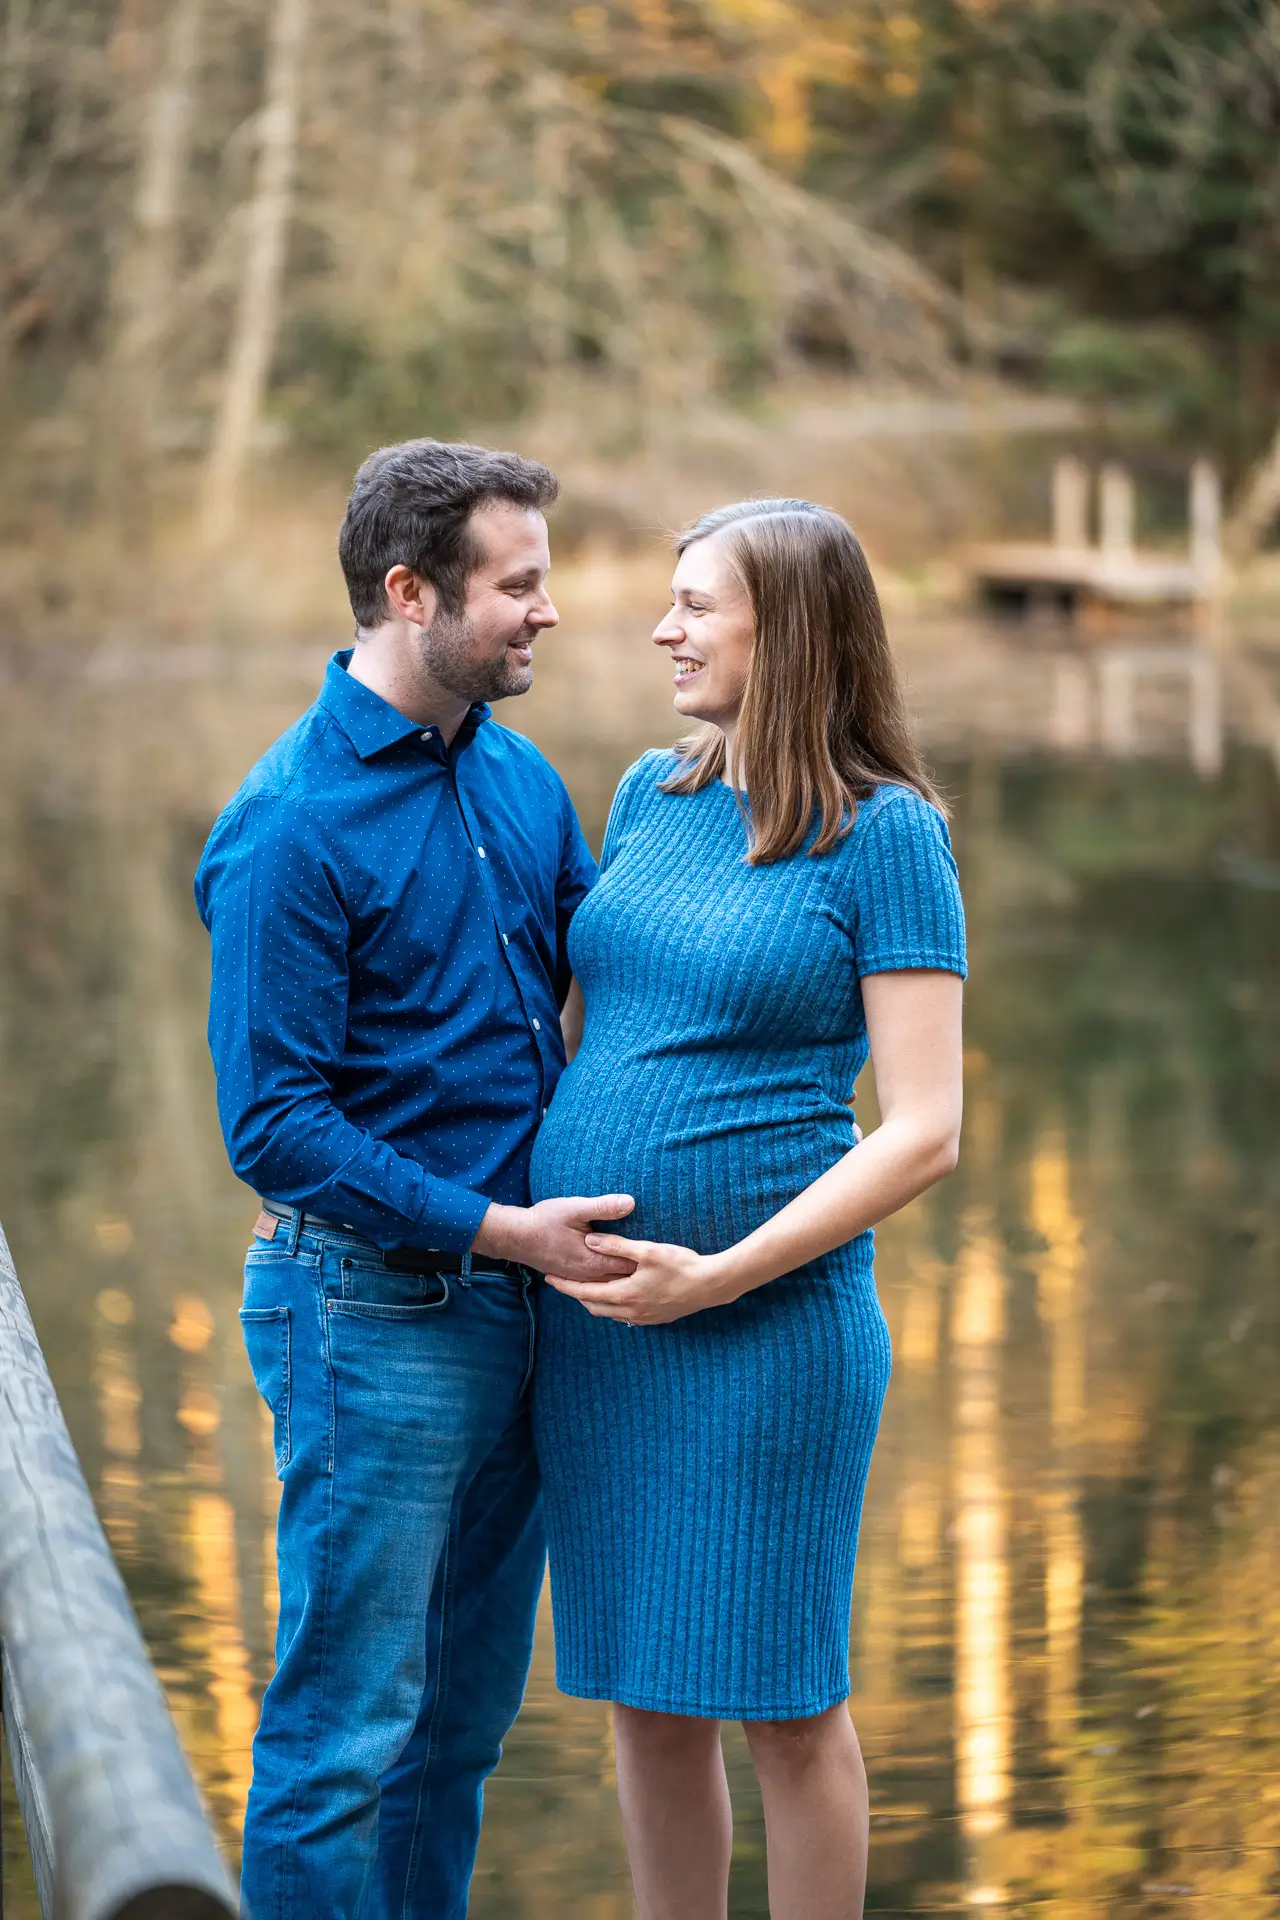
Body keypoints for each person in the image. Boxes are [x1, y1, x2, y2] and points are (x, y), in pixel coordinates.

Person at [193, 439, 636, 1920]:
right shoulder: (289, 826)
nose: (548, 614)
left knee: (455, 1741)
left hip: (521, 1321)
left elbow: (614, 983)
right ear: (409, 593)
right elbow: (273, 1126)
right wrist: (504, 1227)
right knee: (342, 1746)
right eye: (518, 586)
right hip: (367, 1325)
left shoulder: (518, 783)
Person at [530, 498, 967, 1920]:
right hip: (604, 1330)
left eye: (696, 605)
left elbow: (924, 1132)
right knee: (645, 1699)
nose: (664, 629)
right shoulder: (646, 798)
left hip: (769, 1332)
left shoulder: (886, 837)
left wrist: (717, 1276)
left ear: (790, 627)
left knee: (783, 1701)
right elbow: (592, 1029)